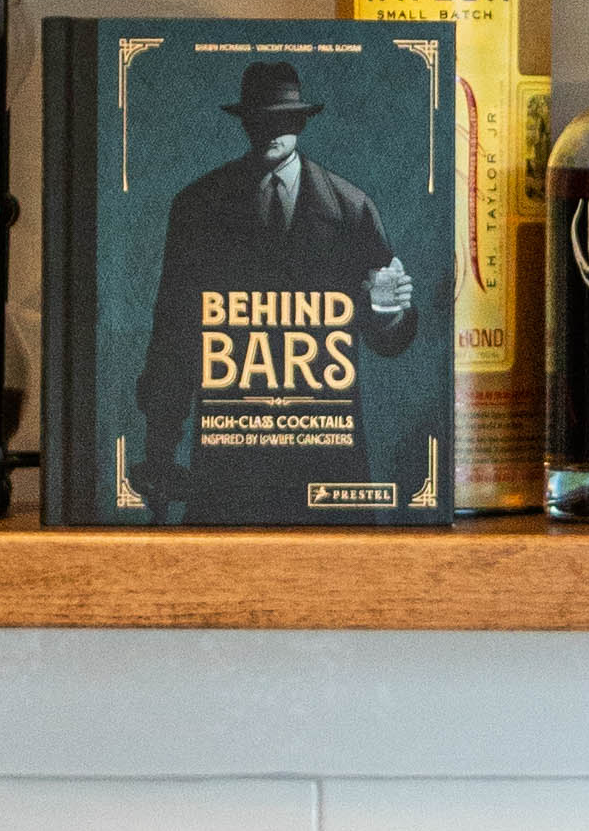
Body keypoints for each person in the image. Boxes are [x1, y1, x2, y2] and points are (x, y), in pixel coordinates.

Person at [131, 54, 421, 520]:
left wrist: (385, 312)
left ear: (302, 122)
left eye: (284, 119)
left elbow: (392, 337)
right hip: (229, 458)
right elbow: (174, 335)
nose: (271, 130)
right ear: (244, 122)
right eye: (259, 120)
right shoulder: (198, 206)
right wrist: (161, 450)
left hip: (328, 461)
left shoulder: (351, 207)